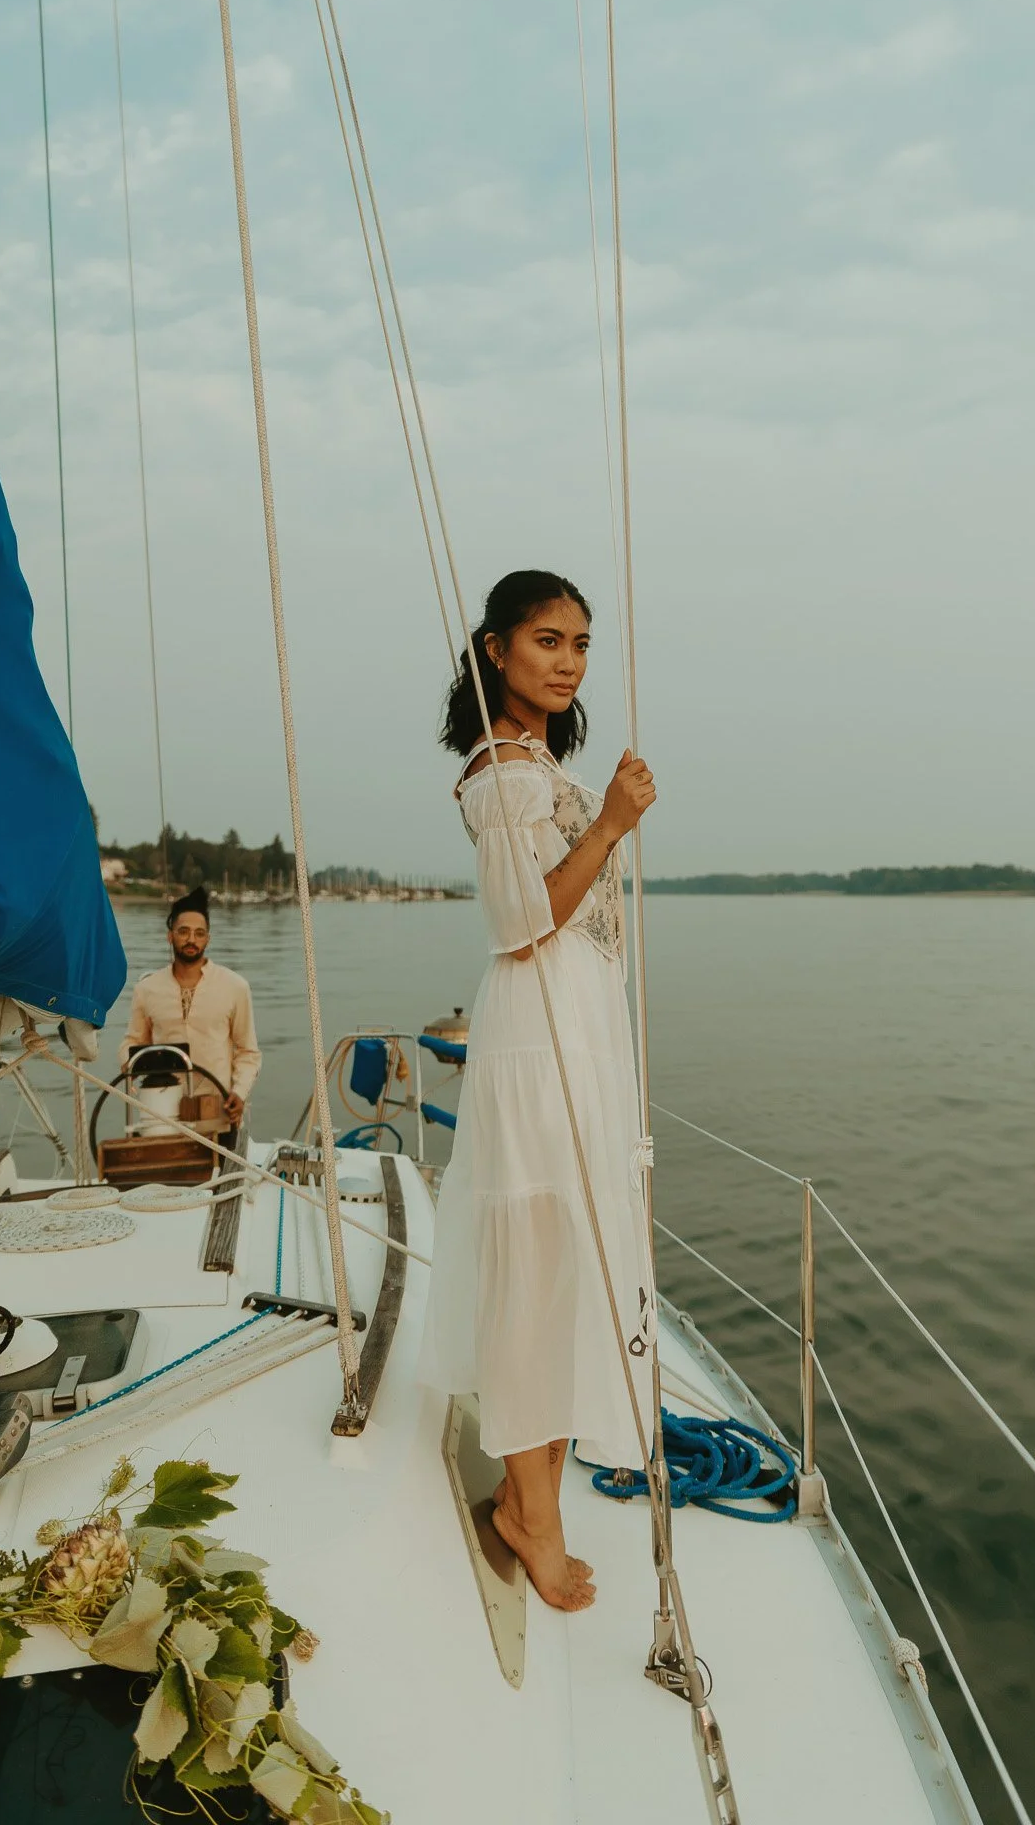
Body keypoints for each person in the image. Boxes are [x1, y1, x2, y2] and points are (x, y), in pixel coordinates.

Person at [419, 569, 657, 1614]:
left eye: (581, 643)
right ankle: (533, 1519)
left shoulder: (540, 764)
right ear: (496, 649)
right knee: (536, 1270)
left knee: (568, 1262)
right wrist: (609, 824)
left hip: (580, 1029)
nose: (568, 661)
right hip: (539, 1033)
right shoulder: (504, 771)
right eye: (547, 640)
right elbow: (519, 923)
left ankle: (533, 1498)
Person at [120, 886, 262, 1127]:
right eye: (183, 932)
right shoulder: (147, 989)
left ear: (208, 939)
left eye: (199, 933)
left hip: (218, 1109)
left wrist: (239, 1092)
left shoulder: (235, 986)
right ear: (170, 936)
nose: (191, 940)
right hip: (163, 1111)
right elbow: (133, 1042)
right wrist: (131, 1064)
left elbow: (248, 1052)